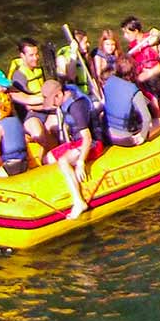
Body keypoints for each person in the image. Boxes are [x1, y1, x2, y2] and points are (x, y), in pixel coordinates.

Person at [40, 78, 103, 220]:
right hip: (76, 142)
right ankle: (64, 184)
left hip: (92, 143)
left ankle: (79, 201)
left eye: (53, 101)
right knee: (47, 158)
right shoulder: (67, 92)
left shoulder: (76, 107)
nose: (53, 105)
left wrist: (81, 162)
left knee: (63, 161)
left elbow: (87, 137)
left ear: (59, 95)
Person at [103, 53, 160, 146]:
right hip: (127, 139)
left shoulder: (108, 82)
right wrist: (142, 136)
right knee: (158, 122)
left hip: (110, 135)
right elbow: (147, 118)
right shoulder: (133, 90)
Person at [5, 37, 53, 150]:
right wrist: (49, 103)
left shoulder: (38, 70)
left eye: (36, 54)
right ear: (22, 56)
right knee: (39, 134)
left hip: (46, 109)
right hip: (30, 115)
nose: (35, 58)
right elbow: (28, 105)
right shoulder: (18, 77)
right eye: (31, 55)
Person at [122, 16, 160, 121]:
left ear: (135, 31)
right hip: (144, 79)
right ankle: (159, 117)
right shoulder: (132, 48)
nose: (125, 36)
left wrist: (151, 72)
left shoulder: (151, 40)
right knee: (153, 99)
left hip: (155, 74)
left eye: (127, 33)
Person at [56, 29, 95, 96]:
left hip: (87, 93)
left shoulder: (85, 56)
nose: (88, 44)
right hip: (75, 95)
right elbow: (71, 77)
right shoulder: (64, 57)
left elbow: (92, 78)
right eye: (85, 42)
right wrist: (73, 53)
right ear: (76, 44)